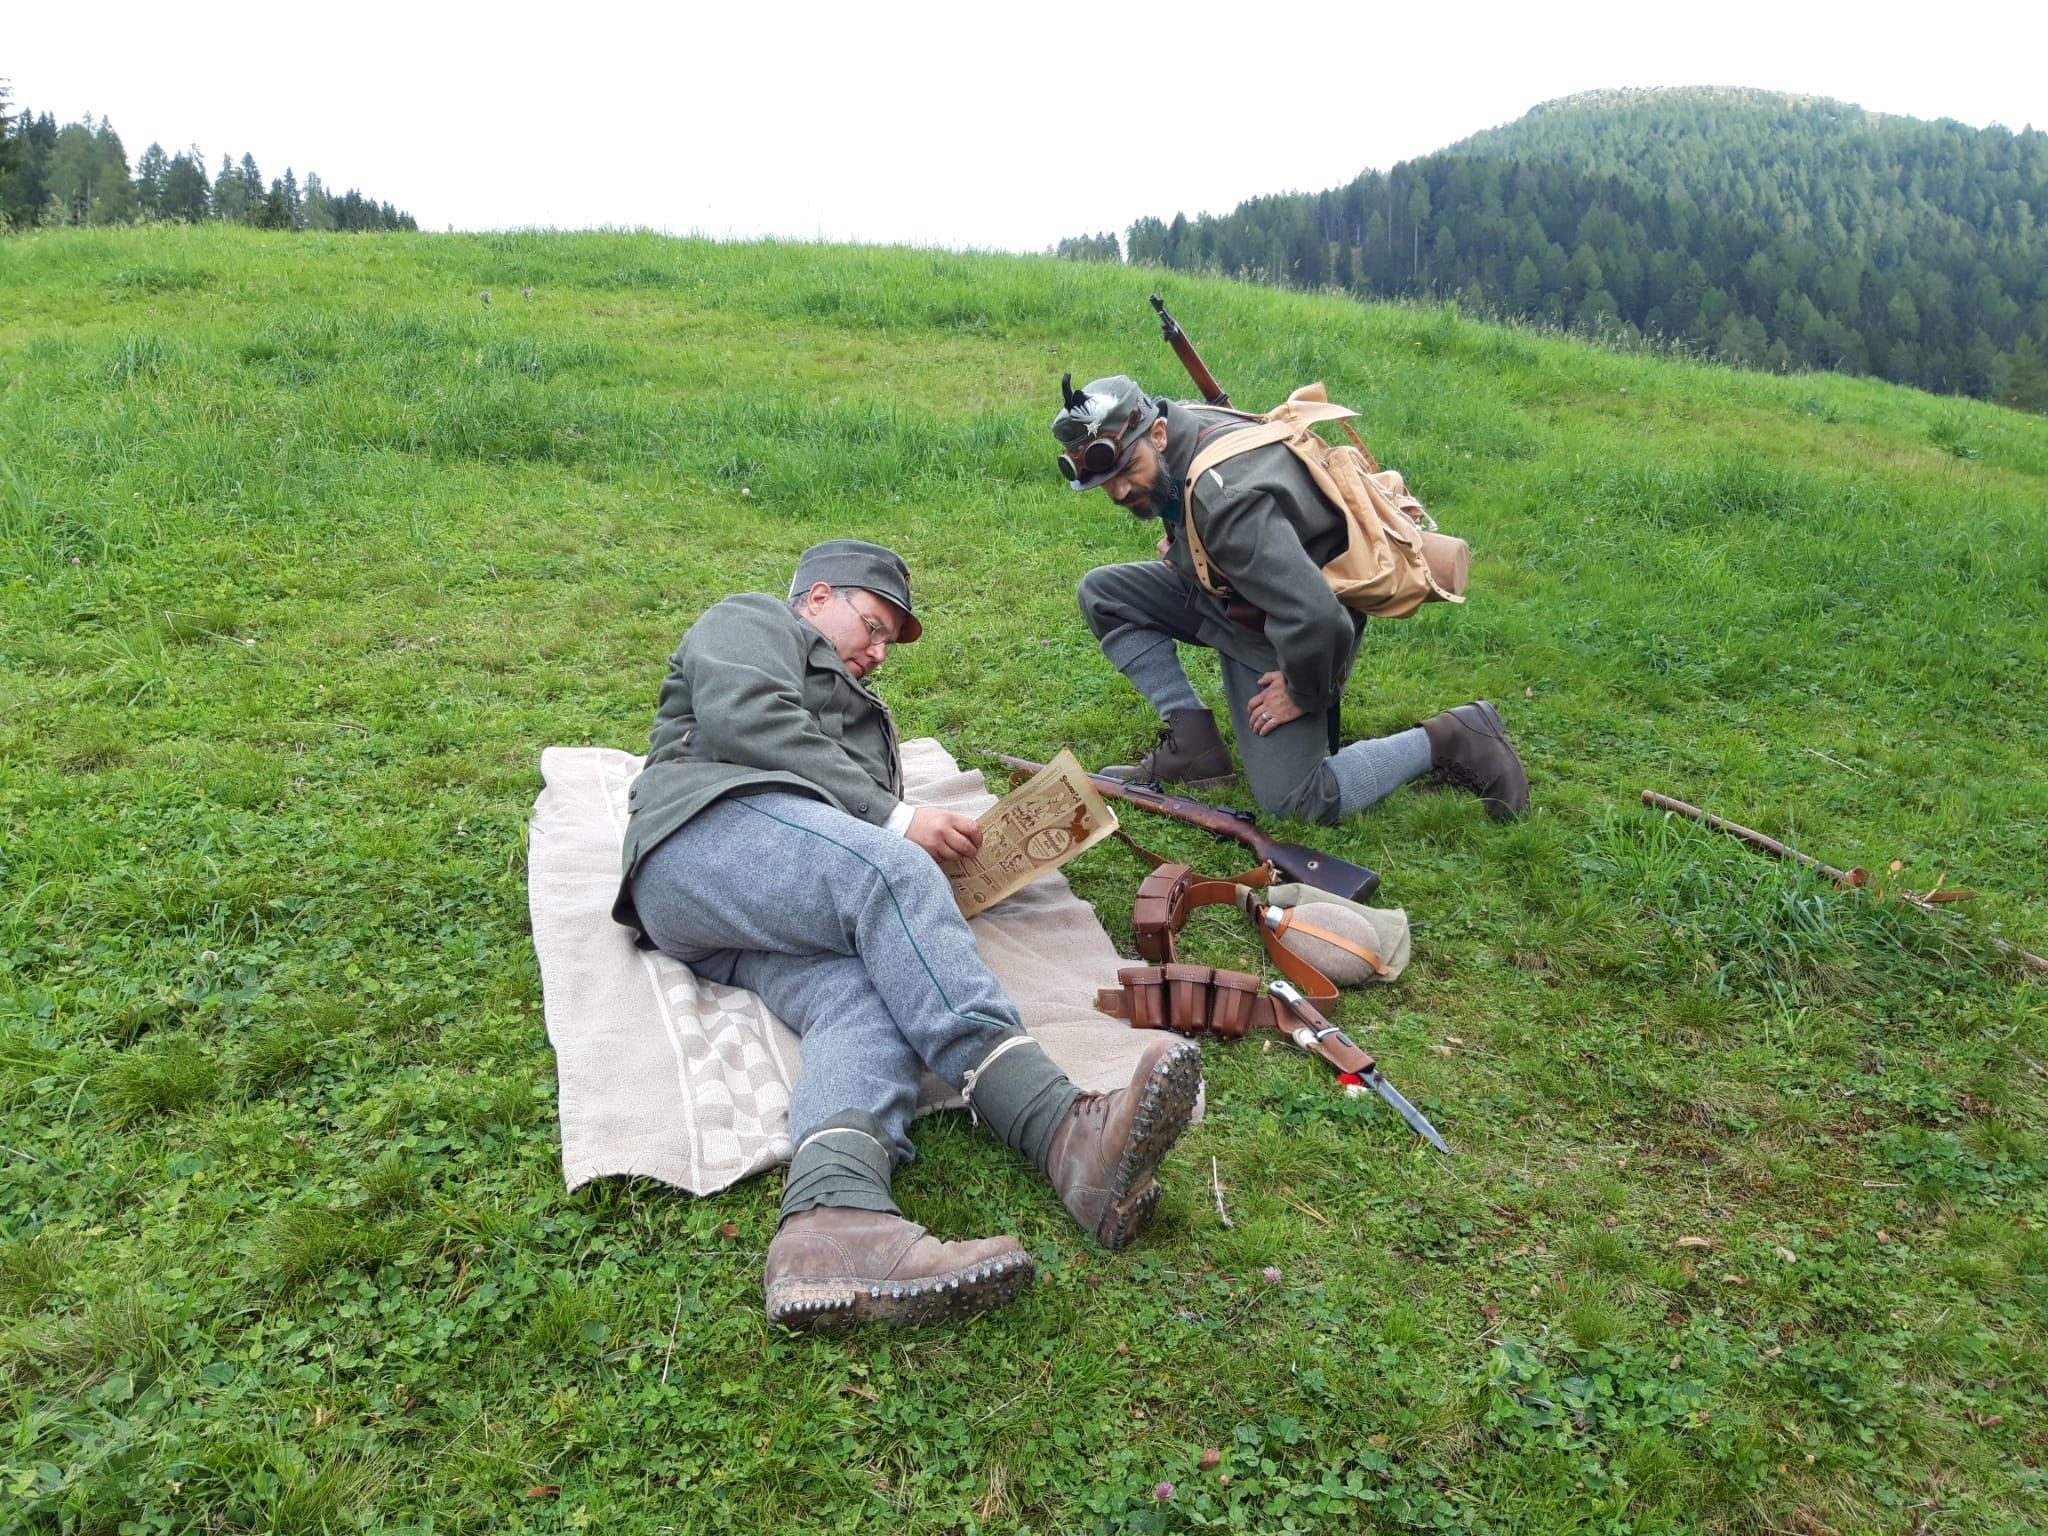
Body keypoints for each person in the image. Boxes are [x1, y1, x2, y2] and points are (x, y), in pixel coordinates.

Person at [612, 539, 1201, 1327]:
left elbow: (840, 837)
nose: (880, 652)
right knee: (888, 868)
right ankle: (1055, 1125)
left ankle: (833, 1219)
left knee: (866, 999)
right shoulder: (753, 619)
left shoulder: (862, 715)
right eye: (874, 626)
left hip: (758, 910)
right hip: (702, 842)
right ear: (819, 597)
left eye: (889, 641)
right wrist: (894, 822)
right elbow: (748, 718)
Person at [1054, 375, 1530, 825]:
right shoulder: (1184, 425)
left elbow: (1321, 618)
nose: (1120, 490)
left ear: (1157, 433)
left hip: (1299, 629)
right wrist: (1182, 549)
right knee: (1104, 594)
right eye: (1105, 481)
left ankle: (1453, 736)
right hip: (1244, 596)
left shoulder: (1226, 503)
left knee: (1296, 801)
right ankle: (1195, 746)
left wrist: (1305, 691)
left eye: (1127, 470)